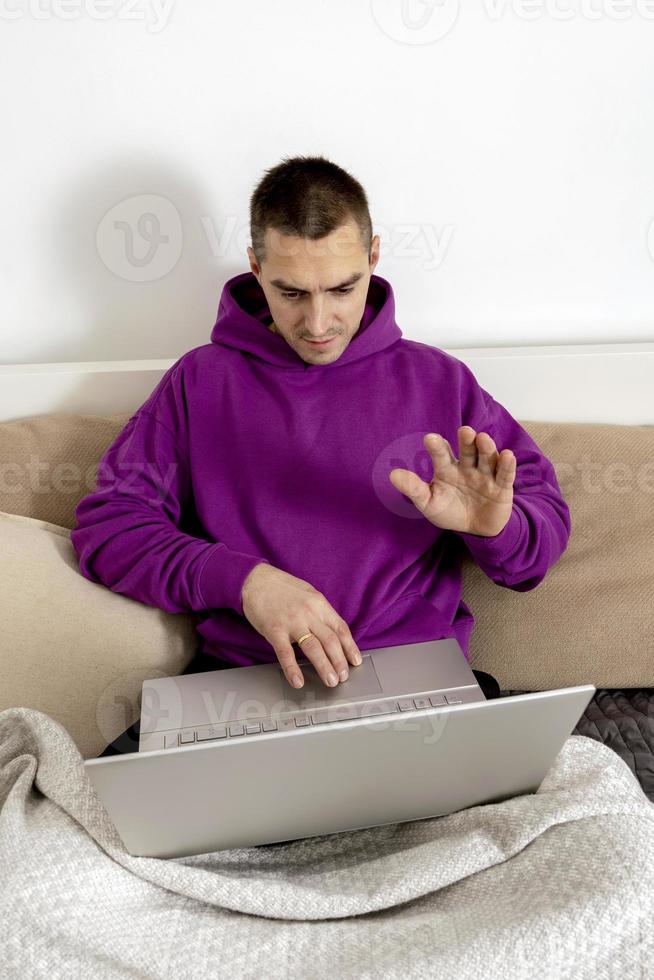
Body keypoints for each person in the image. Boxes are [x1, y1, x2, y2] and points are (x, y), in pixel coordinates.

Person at [71, 155, 569, 755]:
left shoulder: (440, 381)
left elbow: (534, 551)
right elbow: (109, 529)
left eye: (341, 288)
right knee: (82, 814)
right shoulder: (200, 382)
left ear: (373, 259)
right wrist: (244, 581)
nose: (318, 322)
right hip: (243, 692)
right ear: (256, 268)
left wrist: (497, 529)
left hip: (418, 690)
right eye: (290, 292)